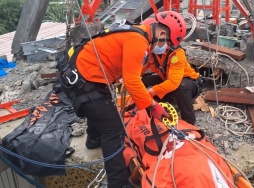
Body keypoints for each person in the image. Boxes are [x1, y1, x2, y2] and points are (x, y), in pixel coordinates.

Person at [57, 11, 186, 188]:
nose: (166, 48)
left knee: (104, 105)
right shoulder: (138, 41)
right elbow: (132, 81)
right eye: (168, 43)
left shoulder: (135, 32)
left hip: (75, 74)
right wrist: (153, 106)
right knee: (114, 130)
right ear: (162, 33)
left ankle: (93, 138)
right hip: (83, 80)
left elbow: (130, 72)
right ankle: (117, 183)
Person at [141, 18, 202, 125]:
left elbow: (174, 82)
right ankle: (151, 110)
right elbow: (140, 70)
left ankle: (189, 122)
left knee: (180, 87)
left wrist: (149, 92)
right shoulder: (152, 52)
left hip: (190, 83)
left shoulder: (177, 54)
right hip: (168, 79)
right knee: (144, 80)